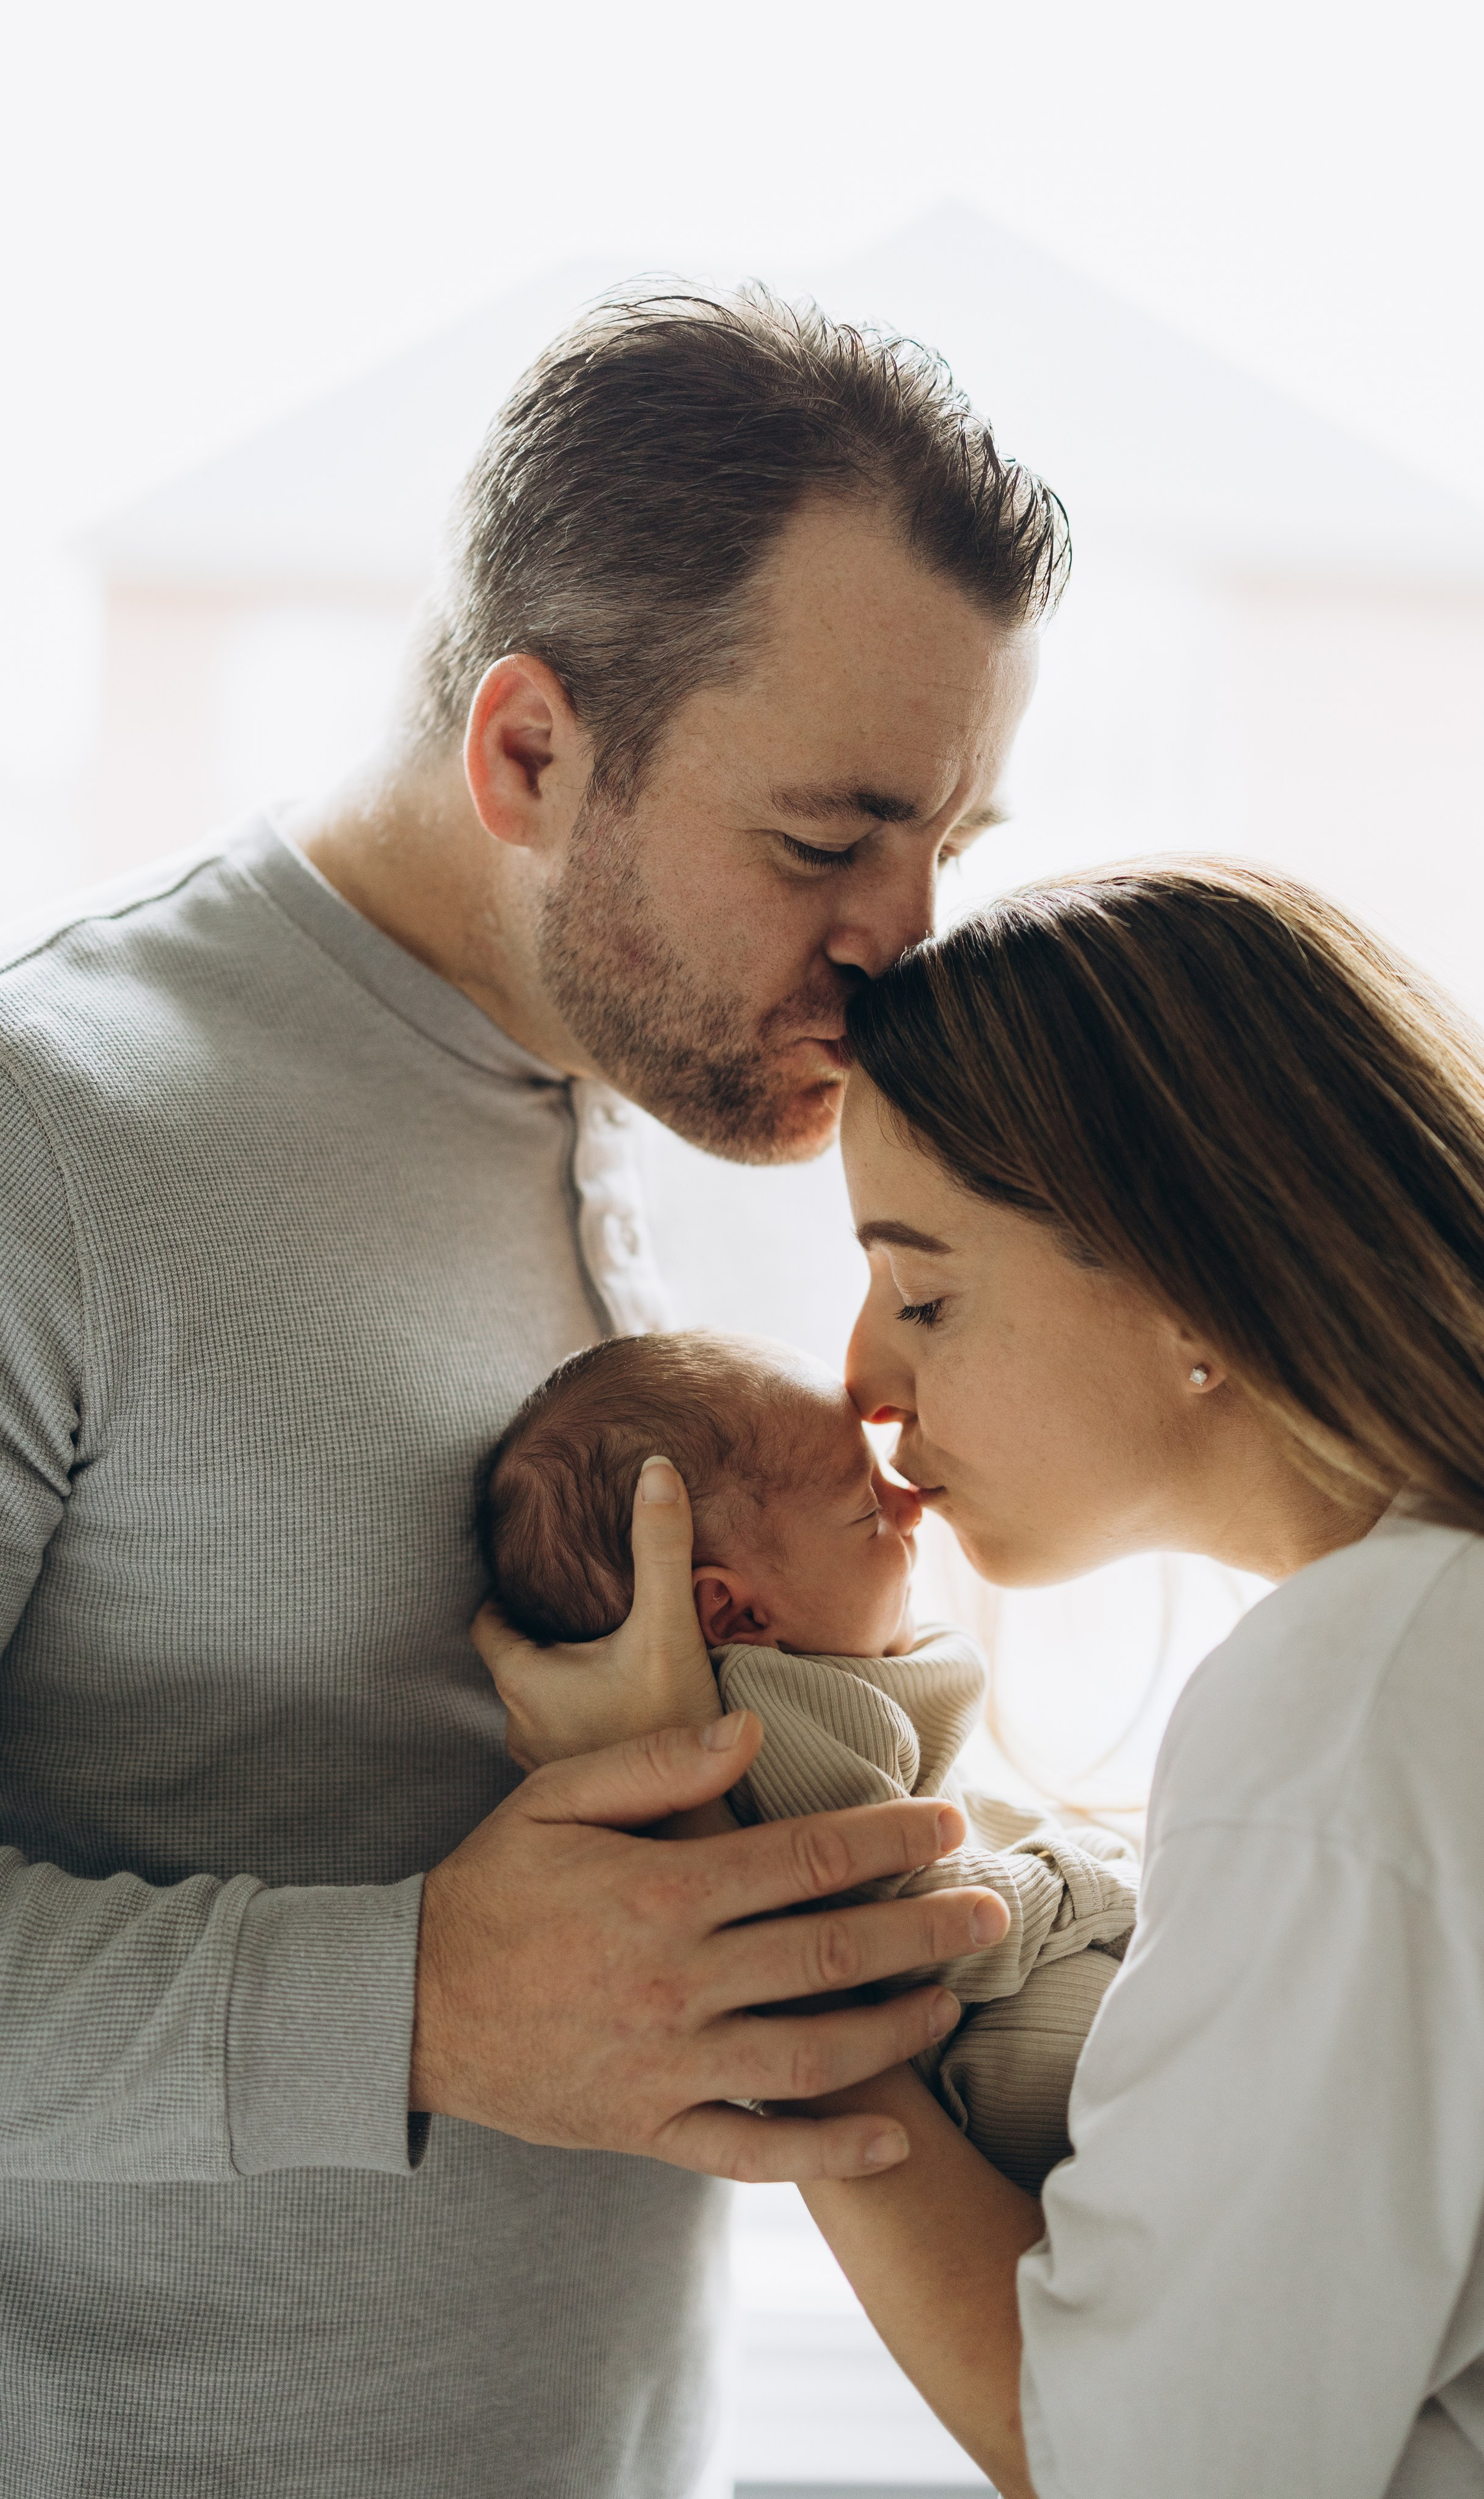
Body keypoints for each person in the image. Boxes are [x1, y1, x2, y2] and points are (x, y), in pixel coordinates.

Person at [0, 287, 1057, 2496]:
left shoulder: (678, 1109)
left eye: (945, 836)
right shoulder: (55, 1139)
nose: (910, 937)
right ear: (528, 755)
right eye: (825, 839)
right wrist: (418, 2003)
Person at [485, 858, 1484, 2498]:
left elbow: (1130, 2470)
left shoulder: (1364, 1704)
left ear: (1191, 1277)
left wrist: (727, 1913)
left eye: (924, 1289)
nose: (860, 1376)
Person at [477, 1327, 1138, 2187]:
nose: (909, 1505)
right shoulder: (774, 1717)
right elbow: (894, 1928)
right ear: (735, 1614)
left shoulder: (812, 1676)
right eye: (866, 1510)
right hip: (1005, 2065)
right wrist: (1099, 1883)